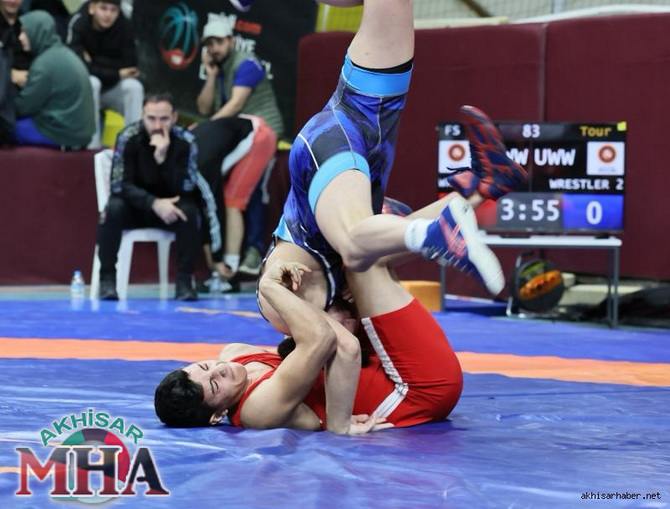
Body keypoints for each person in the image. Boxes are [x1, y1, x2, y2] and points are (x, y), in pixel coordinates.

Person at [256, 0, 527, 334]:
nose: (353, 326)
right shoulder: (347, 284)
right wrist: (478, 194)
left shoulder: (288, 309)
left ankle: (437, 232)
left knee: (353, 244)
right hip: (369, 123)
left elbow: (333, 345)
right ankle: (489, 182)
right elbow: (401, 225)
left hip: (324, 147)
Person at [154, 259, 463, 434]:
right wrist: (269, 285)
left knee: (350, 260)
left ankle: (441, 217)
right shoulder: (257, 409)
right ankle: (452, 215)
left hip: (373, 359)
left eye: (206, 367)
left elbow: (304, 343)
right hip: (416, 390)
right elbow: (322, 339)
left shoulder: (234, 354)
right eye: (214, 385)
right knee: (362, 261)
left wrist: (331, 308)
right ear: (216, 416)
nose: (220, 370)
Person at [96, 93, 218, 301]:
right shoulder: (128, 137)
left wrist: (163, 159)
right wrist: (153, 203)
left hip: (171, 208)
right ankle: (107, 280)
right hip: (136, 206)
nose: (157, 125)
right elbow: (119, 185)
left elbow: (187, 186)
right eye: (151, 118)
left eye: (164, 119)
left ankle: (184, 281)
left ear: (174, 117)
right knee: (113, 209)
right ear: (142, 116)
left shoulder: (186, 141)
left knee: (190, 211)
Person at [196, 16, 283, 281]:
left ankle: (254, 251)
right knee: (230, 190)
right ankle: (234, 258)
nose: (214, 48)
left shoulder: (246, 64)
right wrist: (211, 76)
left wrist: (204, 130)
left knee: (250, 189)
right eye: (209, 44)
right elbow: (204, 108)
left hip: (263, 133)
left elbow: (234, 106)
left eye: (219, 42)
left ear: (231, 41)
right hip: (237, 137)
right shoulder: (221, 71)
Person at [12, 10, 95, 148]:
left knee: (6, 127)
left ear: (38, 32)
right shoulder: (63, 53)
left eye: (24, 32)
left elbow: (23, 108)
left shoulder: (44, 64)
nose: (20, 37)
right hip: (79, 133)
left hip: (62, 134)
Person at [67, 0, 143, 149]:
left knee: (134, 87)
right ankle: (91, 148)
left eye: (113, 10)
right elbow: (77, 67)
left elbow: (131, 67)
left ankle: (133, 148)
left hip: (111, 88)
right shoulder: (79, 22)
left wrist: (93, 62)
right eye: (103, 8)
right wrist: (117, 71)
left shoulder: (124, 25)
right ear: (92, 8)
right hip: (83, 91)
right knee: (92, 82)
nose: (108, 15)